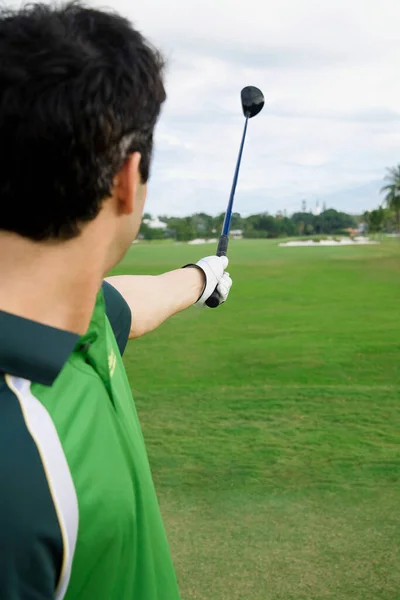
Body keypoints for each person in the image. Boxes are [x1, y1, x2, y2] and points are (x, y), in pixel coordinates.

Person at [0, 3, 232, 599]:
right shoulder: (18, 475)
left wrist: (200, 279)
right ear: (127, 180)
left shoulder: (78, 316)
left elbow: (130, 301)